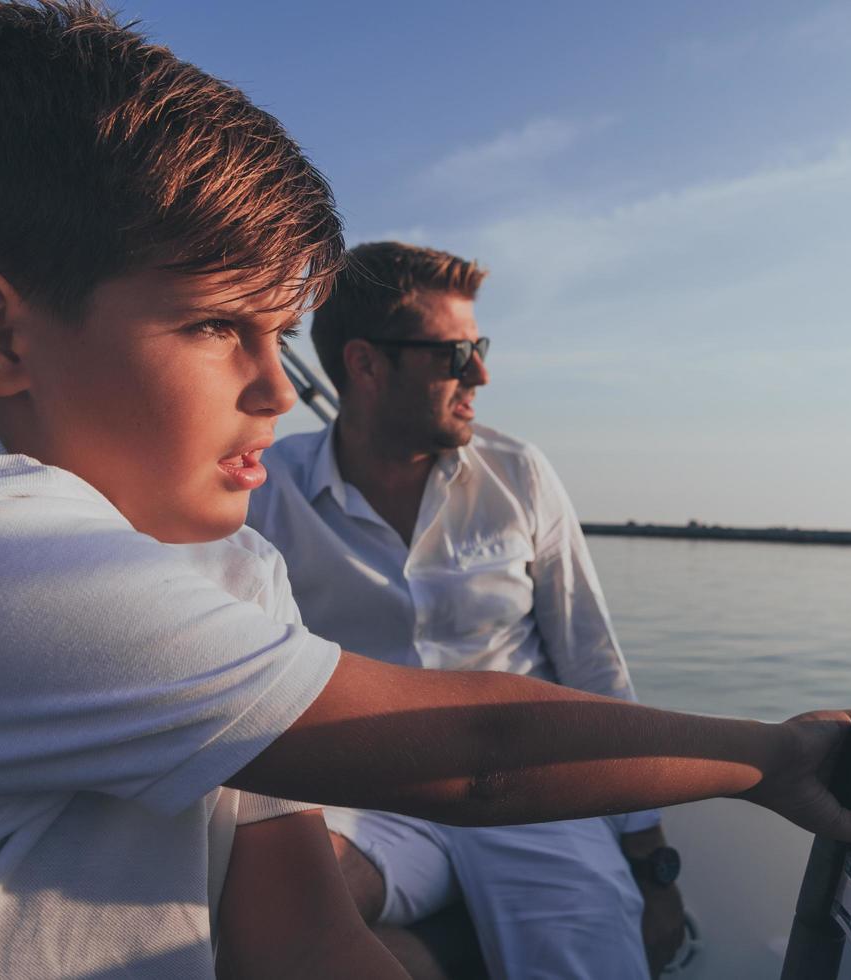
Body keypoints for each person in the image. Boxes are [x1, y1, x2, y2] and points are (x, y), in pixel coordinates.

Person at [0, 3, 851, 978]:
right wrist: (771, 757)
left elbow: (301, 947)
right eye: (218, 325)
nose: (276, 388)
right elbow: (478, 763)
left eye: (278, 333)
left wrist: (650, 845)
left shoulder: (227, 571)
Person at [248, 242, 681, 979]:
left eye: (478, 348)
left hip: (531, 795)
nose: (480, 373)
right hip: (363, 795)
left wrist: (650, 861)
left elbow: (590, 662)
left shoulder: (519, 475)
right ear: (364, 364)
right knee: (270, 918)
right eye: (455, 354)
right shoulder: (268, 494)